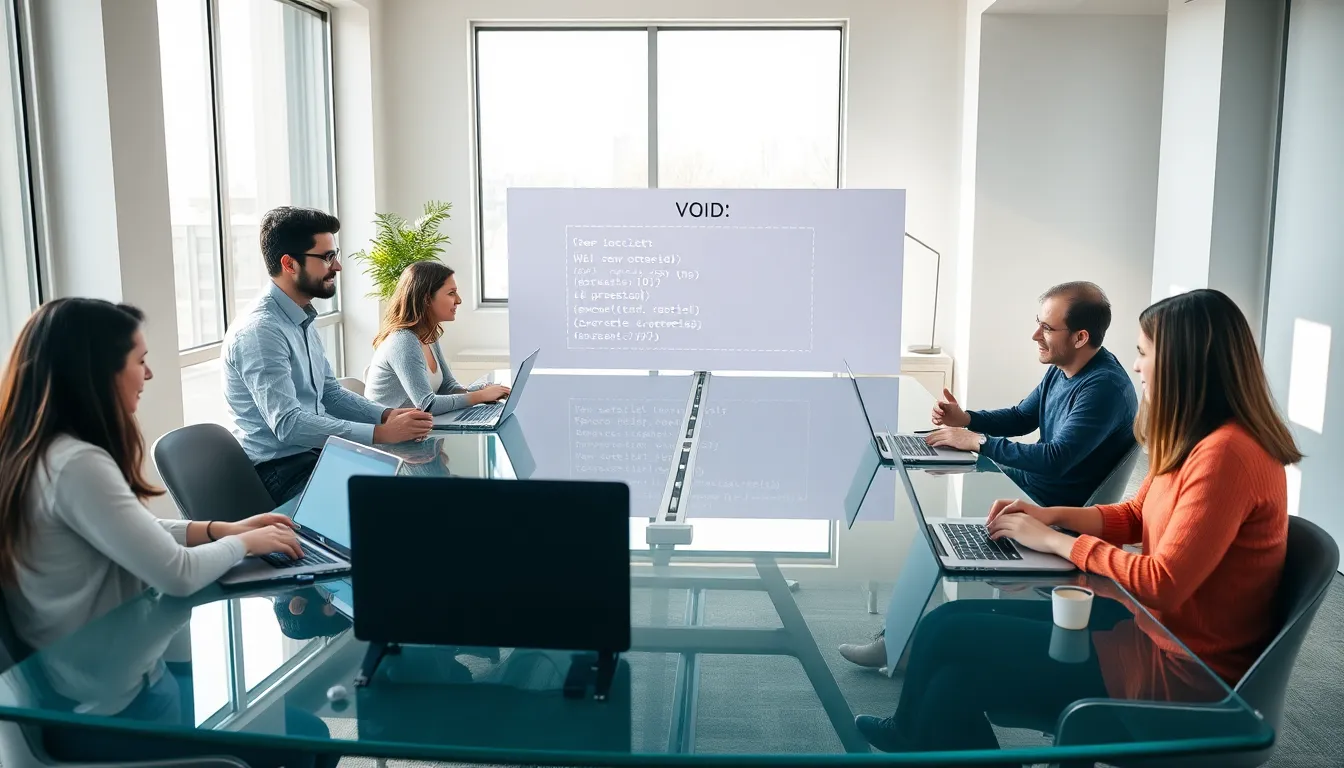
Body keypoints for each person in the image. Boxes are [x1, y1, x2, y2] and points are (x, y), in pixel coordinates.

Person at [853, 288, 1301, 754]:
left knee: (950, 645)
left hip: (1173, 678)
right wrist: (1049, 515)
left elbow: (1163, 583)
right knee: (944, 633)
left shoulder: (1227, 455)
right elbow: (1134, 515)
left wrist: (1056, 540)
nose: (1138, 367)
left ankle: (910, 736)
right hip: (1142, 635)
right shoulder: (1198, 438)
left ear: (1184, 363)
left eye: (1145, 354)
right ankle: (911, 733)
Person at [0, 298, 335, 768]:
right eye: (139, 361)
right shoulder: (78, 463)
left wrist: (217, 528)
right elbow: (177, 576)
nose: (149, 375)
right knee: (311, 739)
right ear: (97, 374)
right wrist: (243, 543)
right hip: (112, 708)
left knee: (282, 718)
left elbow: (128, 529)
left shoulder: (34, 452)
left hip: (77, 682)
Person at [840, 281, 1139, 669]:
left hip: (1054, 517)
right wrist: (966, 420)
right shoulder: (1064, 369)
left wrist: (977, 441)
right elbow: (1021, 417)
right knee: (935, 537)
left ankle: (907, 643)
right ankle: (903, 640)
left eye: (1047, 328)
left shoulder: (1104, 388)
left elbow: (1056, 459)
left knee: (939, 541)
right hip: (1029, 495)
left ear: (1081, 337)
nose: (1036, 335)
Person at [223, 206, 433, 504]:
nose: (337, 266)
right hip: (281, 471)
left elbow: (330, 394)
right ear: (289, 264)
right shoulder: (261, 331)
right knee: (394, 506)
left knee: (420, 488)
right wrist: (381, 433)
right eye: (326, 257)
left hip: (317, 454)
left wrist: (385, 415)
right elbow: (289, 424)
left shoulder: (301, 318)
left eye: (335, 255)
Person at [364, 260, 510, 413]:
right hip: (392, 433)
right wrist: (479, 396)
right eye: (451, 293)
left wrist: (483, 390)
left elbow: (448, 387)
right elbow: (427, 405)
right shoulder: (403, 341)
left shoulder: (429, 335)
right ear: (426, 299)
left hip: (420, 427)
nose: (458, 300)